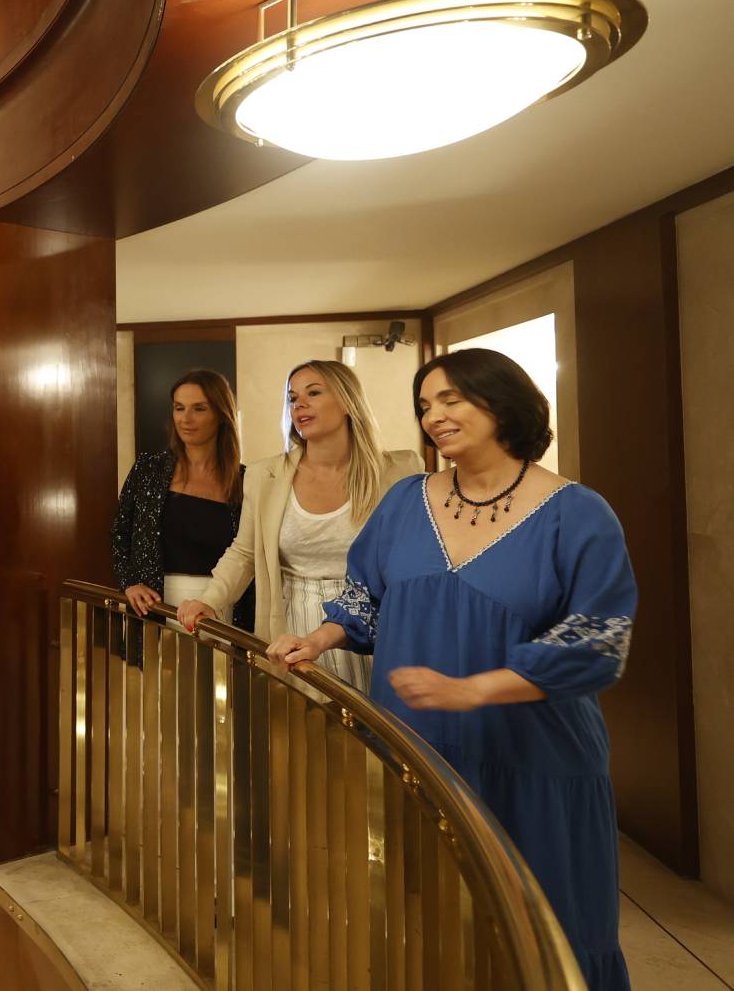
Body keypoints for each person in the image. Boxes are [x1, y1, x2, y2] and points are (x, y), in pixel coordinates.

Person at [267, 347, 634, 990]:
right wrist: (318, 639)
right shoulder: (406, 500)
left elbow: (598, 639)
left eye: (451, 399)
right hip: (420, 748)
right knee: (428, 917)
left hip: (533, 759)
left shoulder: (577, 513)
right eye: (425, 405)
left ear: (503, 403)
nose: (433, 415)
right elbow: (366, 595)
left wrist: (474, 690)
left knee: (541, 928)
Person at [178, 360, 421, 689]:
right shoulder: (265, 475)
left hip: (375, 624)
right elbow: (244, 553)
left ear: (348, 401)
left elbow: (415, 559)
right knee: (297, 719)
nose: (299, 404)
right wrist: (209, 600)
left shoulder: (401, 470)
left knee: (374, 719)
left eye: (313, 393)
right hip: (291, 625)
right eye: (293, 398)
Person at [111, 369, 252, 626]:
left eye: (199, 408)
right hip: (155, 604)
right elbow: (119, 533)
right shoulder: (148, 469)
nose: (186, 418)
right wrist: (129, 582)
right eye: (179, 408)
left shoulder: (245, 480)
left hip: (219, 604)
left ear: (221, 414)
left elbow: (249, 554)